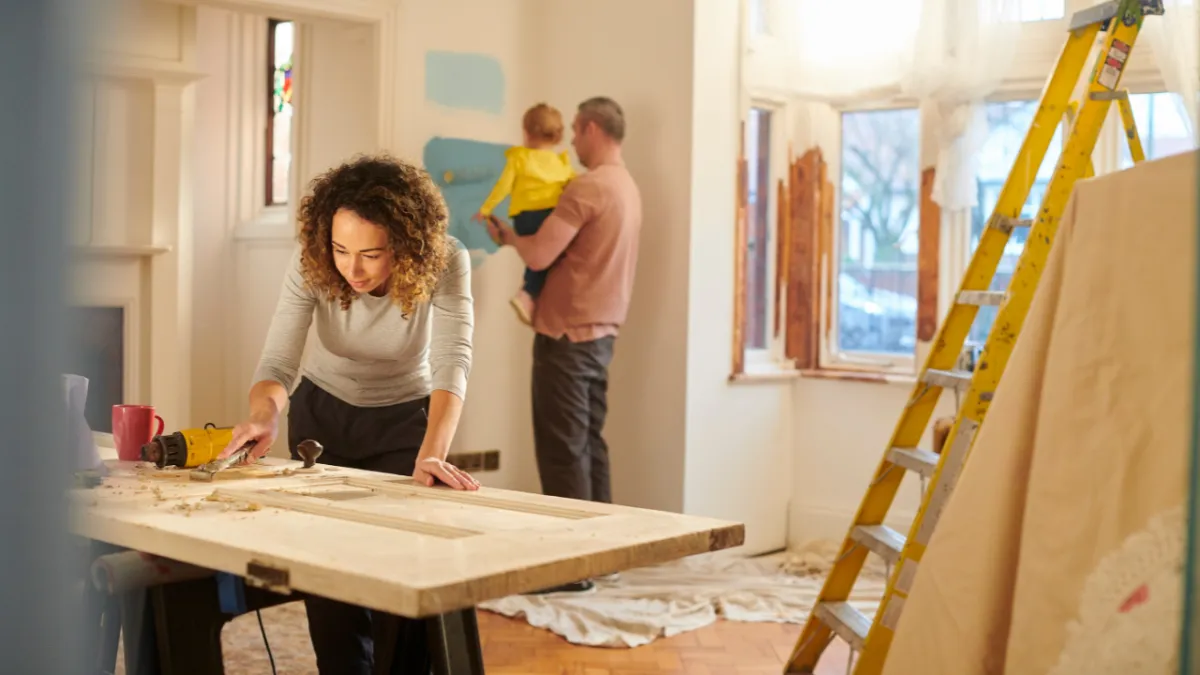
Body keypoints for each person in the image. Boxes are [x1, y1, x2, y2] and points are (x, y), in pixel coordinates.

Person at [220, 153, 480, 674]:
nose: (351, 268)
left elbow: (453, 361)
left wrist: (432, 455)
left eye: (371, 254)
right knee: (331, 591)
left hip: (408, 419)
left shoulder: (447, 260)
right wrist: (264, 416)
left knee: (402, 590)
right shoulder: (311, 261)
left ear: (407, 247)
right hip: (323, 417)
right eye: (340, 250)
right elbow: (277, 362)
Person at [485, 97, 641, 592]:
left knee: (561, 448)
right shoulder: (627, 187)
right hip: (603, 331)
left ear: (593, 128)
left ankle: (572, 568)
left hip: (566, 332)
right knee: (589, 442)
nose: (572, 140)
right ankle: (602, 554)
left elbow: (541, 250)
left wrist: (508, 237)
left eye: (576, 130)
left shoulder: (588, 187)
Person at [473, 102, 575, 325]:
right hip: (550, 217)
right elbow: (573, 187)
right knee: (546, 258)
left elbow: (503, 187)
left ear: (526, 133)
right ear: (557, 137)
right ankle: (528, 293)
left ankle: (529, 295)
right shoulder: (561, 163)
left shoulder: (519, 158)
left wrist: (486, 208)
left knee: (538, 258)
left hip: (525, 219)